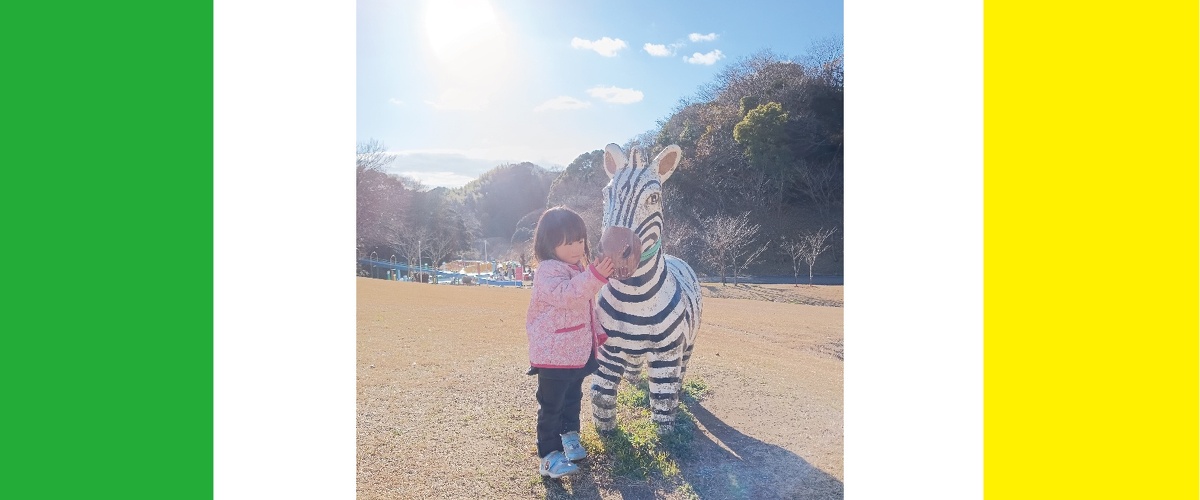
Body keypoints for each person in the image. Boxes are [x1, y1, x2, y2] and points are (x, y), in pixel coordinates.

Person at [525, 206, 614, 479]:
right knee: (551, 405)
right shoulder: (548, 271)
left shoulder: (577, 267)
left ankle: (569, 437)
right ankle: (549, 456)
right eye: (568, 242)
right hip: (554, 354)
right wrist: (595, 276)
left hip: (575, 351)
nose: (577, 247)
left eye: (580, 240)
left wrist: (596, 332)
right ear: (549, 244)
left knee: (573, 397)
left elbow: (587, 306)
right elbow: (567, 295)